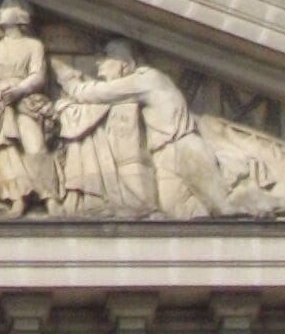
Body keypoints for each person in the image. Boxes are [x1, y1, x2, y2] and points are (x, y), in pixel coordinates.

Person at [56, 44, 236, 218]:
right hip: (162, 157)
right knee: (176, 216)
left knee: (224, 209)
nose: (98, 64)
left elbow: (101, 92)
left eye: (106, 57)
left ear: (124, 64)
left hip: (185, 148)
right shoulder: (140, 83)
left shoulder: (147, 79)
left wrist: (70, 84)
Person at [0, 0, 59, 213]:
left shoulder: (33, 45)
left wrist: (18, 89)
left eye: (9, 6)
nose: (1, 9)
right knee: (6, 151)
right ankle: (17, 197)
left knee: (35, 148)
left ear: (20, 16)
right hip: (0, 105)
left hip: (26, 101)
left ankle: (50, 196)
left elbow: (38, 75)